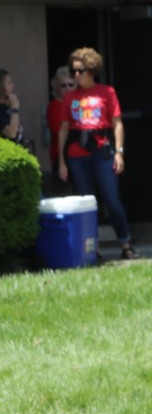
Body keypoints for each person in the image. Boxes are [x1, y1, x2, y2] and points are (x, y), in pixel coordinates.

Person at [57, 47, 137, 261]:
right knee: (87, 202)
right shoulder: (70, 97)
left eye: (80, 71)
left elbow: (117, 123)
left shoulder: (106, 92)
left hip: (101, 150)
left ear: (91, 71)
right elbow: (64, 128)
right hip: (76, 153)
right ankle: (93, 248)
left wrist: (119, 152)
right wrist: (61, 161)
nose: (75, 76)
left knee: (111, 199)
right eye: (73, 71)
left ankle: (125, 243)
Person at [45, 66, 75, 193]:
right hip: (62, 157)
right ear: (56, 87)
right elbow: (59, 132)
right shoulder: (54, 107)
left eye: (70, 84)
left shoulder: (78, 103)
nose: (67, 88)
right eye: (63, 85)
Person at [0, 69, 27, 147]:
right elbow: (12, 133)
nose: (13, 86)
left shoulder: (7, 108)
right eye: (9, 83)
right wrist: (15, 109)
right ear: (0, 87)